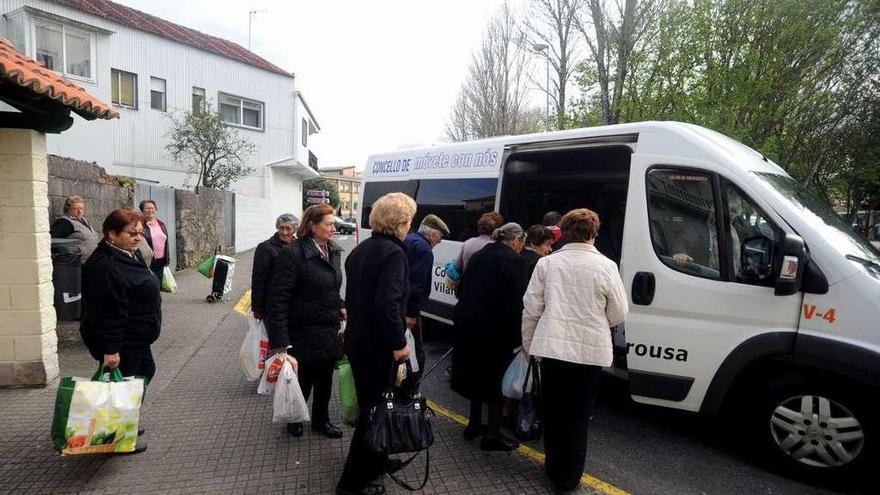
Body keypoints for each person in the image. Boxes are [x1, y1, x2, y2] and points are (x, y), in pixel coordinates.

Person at [522, 208, 628, 493]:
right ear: (594, 234)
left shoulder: (547, 264)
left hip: (553, 349)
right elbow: (618, 313)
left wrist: (529, 346)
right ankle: (569, 478)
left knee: (554, 412)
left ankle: (553, 467)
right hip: (590, 354)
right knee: (578, 418)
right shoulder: (607, 266)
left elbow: (531, 310)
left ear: (564, 232)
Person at [337, 192, 415, 495]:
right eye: (409, 219)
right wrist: (398, 344)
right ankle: (352, 483)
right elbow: (387, 304)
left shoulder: (363, 249)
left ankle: (378, 461)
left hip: (359, 341)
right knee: (375, 412)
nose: (411, 225)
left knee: (378, 406)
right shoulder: (394, 254)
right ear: (401, 222)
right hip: (377, 346)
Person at [79, 208, 161, 455]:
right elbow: (106, 312)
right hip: (122, 339)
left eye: (140, 232)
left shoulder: (126, 253)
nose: (138, 237)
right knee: (123, 385)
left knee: (142, 373)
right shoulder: (105, 266)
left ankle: (126, 423)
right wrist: (110, 349)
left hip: (136, 335)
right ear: (111, 234)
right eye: (132, 233)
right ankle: (116, 437)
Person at [265, 204, 345, 440]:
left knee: (325, 380)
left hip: (328, 328)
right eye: (329, 224)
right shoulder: (292, 254)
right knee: (302, 379)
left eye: (334, 223)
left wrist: (340, 305)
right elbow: (278, 299)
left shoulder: (333, 250)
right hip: (303, 330)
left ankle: (321, 420)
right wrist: (280, 341)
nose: (334, 228)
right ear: (312, 226)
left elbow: (331, 286)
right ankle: (294, 417)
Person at [452, 222, 528, 451]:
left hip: (469, 326)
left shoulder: (479, 255)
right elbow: (517, 304)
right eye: (521, 242)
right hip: (496, 332)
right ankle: (492, 434)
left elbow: (461, 288)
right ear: (515, 240)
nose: (521, 247)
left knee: (476, 377)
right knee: (497, 383)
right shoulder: (515, 261)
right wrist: (519, 337)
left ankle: (474, 424)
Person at [403, 214, 450, 375]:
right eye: (440, 236)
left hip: (399, 304)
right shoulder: (424, 250)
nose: (440, 241)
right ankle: (411, 386)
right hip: (408, 309)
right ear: (431, 234)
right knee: (415, 350)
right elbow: (416, 285)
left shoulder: (409, 240)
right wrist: (411, 314)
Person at [251, 213, 299, 321]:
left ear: (294, 230)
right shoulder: (265, 248)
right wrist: (257, 307)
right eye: (281, 228)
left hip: (294, 303)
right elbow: (258, 278)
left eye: (288, 228)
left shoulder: (298, 247)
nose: (284, 232)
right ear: (277, 227)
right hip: (272, 304)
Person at [50, 195, 99, 265]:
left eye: (81, 208)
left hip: (92, 261)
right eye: (75, 209)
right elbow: (54, 243)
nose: (79, 211)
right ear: (68, 209)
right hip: (78, 264)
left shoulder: (83, 220)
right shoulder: (64, 222)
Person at [139, 200, 170, 282]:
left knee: (157, 284)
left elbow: (166, 243)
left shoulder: (161, 224)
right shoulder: (140, 225)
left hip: (161, 261)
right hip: (147, 261)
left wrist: (167, 259)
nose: (150, 210)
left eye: (152, 208)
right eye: (147, 208)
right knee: (147, 284)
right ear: (142, 210)